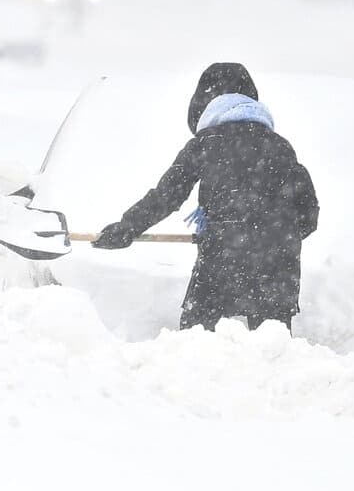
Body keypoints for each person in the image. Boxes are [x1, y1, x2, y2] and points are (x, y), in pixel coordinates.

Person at [92, 63, 319, 332]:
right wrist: (275, 235)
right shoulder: (281, 147)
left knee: (196, 344)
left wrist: (126, 228)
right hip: (278, 270)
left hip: (222, 263)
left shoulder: (206, 143)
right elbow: (309, 213)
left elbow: (167, 196)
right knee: (274, 350)